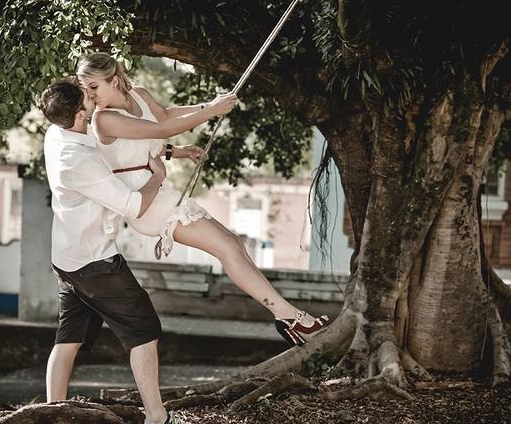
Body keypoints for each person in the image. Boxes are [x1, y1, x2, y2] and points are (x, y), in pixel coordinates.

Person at [77, 52, 329, 346]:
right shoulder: (103, 119)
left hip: (162, 193)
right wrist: (211, 110)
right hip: (146, 204)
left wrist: (186, 138)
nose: (89, 96)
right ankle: (291, 318)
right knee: (227, 248)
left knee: (234, 244)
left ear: (114, 80)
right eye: (85, 88)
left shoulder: (139, 95)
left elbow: (164, 117)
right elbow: (160, 130)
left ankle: (289, 319)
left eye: (93, 86)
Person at [39, 77, 209, 424]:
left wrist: (174, 151)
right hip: (95, 262)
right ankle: (157, 418)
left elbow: (121, 150)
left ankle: (52, 416)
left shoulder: (57, 133)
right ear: (80, 114)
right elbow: (134, 206)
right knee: (144, 330)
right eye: (88, 98)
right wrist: (158, 177)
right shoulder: (78, 160)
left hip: (67, 256)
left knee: (68, 338)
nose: (94, 98)